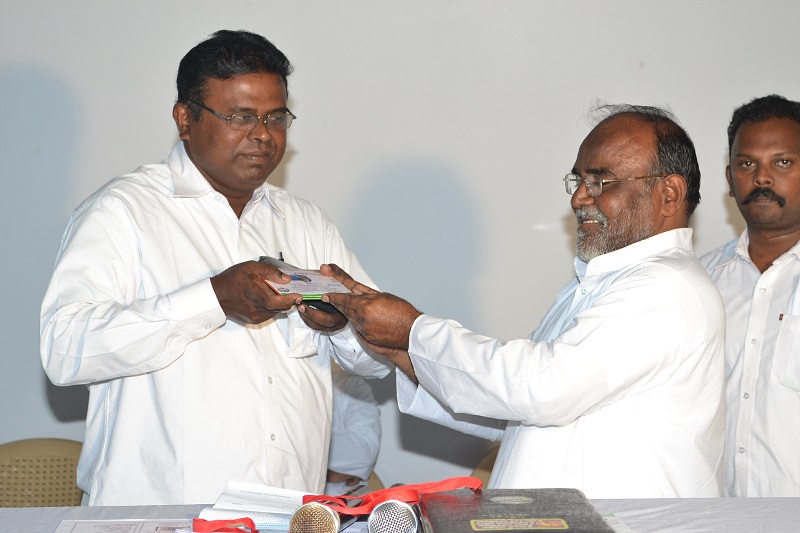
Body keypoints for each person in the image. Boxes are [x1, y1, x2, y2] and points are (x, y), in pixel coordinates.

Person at [39, 30, 390, 506]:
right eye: (240, 117)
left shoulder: (308, 223)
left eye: (275, 117)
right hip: (160, 514)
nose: (262, 134)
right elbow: (65, 351)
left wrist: (340, 325)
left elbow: (377, 362)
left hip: (287, 512)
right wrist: (213, 299)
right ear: (185, 119)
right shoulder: (121, 212)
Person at [325, 105, 726, 499]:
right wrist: (400, 349)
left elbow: (541, 388)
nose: (579, 198)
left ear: (669, 194)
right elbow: (515, 411)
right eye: (578, 180)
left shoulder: (668, 287)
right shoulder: (596, 282)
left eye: (601, 181)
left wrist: (412, 330)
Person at [700, 94, 800, 497]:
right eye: (747, 164)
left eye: (783, 162)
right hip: (715, 515)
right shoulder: (701, 281)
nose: (762, 179)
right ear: (729, 179)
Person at [325, 366, 381, 495]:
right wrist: (328, 472)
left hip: (340, 503)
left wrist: (304, 466)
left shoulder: (352, 386)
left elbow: (362, 452)